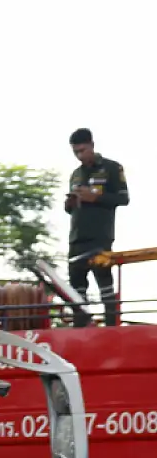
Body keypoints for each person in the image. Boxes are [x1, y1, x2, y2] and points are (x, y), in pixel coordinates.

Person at [64, 128, 129, 326]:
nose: (80, 156)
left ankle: (111, 326)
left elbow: (124, 198)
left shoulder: (112, 168)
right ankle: (80, 326)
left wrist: (96, 197)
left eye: (83, 150)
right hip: (76, 236)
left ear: (92, 145)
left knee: (104, 282)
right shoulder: (76, 174)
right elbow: (70, 209)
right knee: (76, 287)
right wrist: (70, 204)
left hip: (100, 236)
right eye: (76, 152)